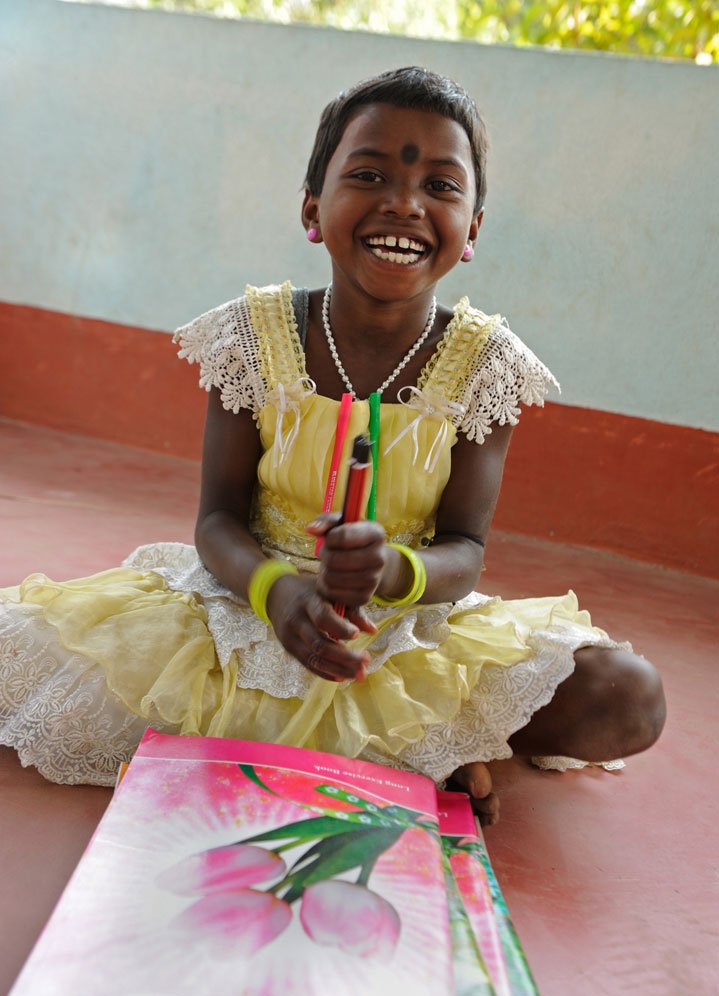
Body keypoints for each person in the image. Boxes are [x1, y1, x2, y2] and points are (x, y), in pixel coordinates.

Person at [0, 67, 665, 823]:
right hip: (246, 608)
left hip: (409, 622)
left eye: (441, 186)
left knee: (626, 695)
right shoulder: (253, 337)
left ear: (472, 228)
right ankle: (429, 756)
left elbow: (464, 549)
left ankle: (416, 737)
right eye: (370, 174)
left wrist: (392, 570)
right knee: (19, 645)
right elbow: (216, 523)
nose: (404, 203)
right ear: (313, 209)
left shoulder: (487, 366)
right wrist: (277, 594)